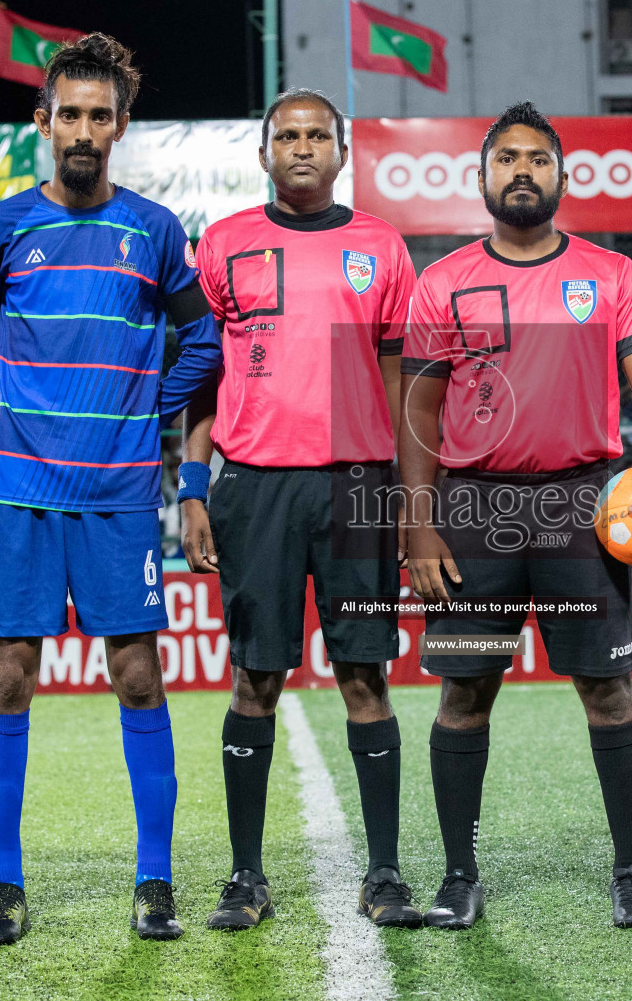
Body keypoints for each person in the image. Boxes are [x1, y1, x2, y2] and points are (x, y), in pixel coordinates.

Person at [400, 101, 632, 930]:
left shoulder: (609, 275)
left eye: (538, 158)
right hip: (473, 514)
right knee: (465, 693)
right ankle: (460, 875)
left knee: (608, 690)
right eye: (508, 159)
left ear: (563, 176)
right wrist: (415, 523)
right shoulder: (442, 282)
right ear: (484, 176)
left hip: (584, 510)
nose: (523, 170)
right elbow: (420, 413)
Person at [0, 34, 222, 943]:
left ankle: (155, 881)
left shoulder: (152, 230)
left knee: (139, 676)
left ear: (120, 124)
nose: (82, 128)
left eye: (98, 115)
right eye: (67, 112)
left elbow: (206, 343)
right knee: (8, 679)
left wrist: (139, 405)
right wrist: (9, 410)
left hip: (117, 495)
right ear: (43, 121)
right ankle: (4, 884)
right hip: (21, 490)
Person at [181, 88, 421, 930]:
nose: (304, 147)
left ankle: (385, 872)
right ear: (264, 153)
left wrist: (402, 486)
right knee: (256, 677)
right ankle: (246, 876)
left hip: (357, 484)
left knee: (365, 674)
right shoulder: (223, 245)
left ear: (342, 151)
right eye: (288, 135)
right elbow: (201, 379)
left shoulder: (381, 247)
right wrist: (190, 484)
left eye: (319, 135)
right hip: (255, 485)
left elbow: (400, 378)